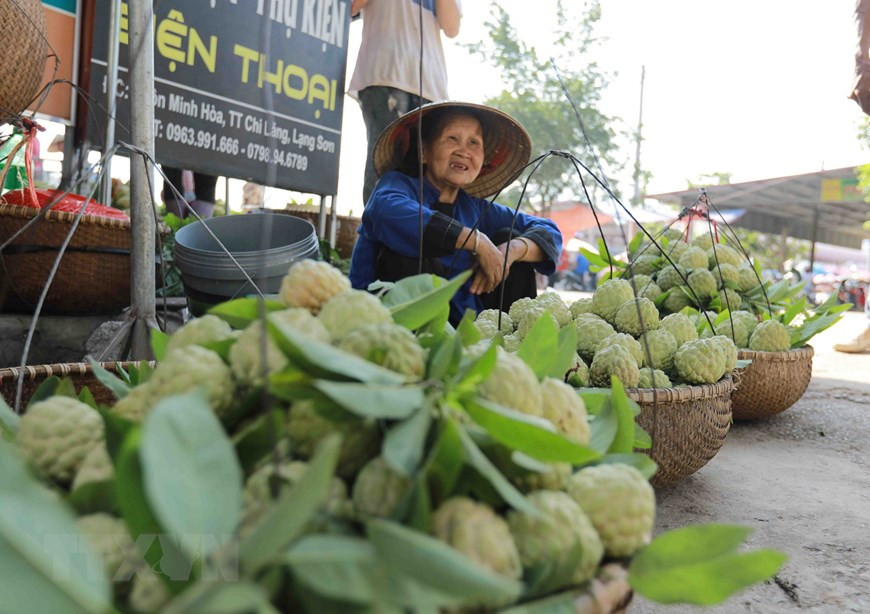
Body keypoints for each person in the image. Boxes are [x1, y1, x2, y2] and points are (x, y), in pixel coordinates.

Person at [348, 101, 563, 325]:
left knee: (509, 236)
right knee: (410, 246)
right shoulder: (397, 186)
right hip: (387, 321)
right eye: (452, 138)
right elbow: (386, 210)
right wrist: (476, 241)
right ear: (424, 151)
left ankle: (511, 341)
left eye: (474, 143)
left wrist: (508, 252)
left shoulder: (476, 208)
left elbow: (548, 230)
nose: (464, 152)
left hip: (466, 329)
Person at [348, 0, 462, 205]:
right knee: (384, 165)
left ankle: (420, 233)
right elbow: (350, 7)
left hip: (430, 83)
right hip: (384, 73)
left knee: (428, 171)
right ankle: (376, 233)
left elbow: (452, 27)